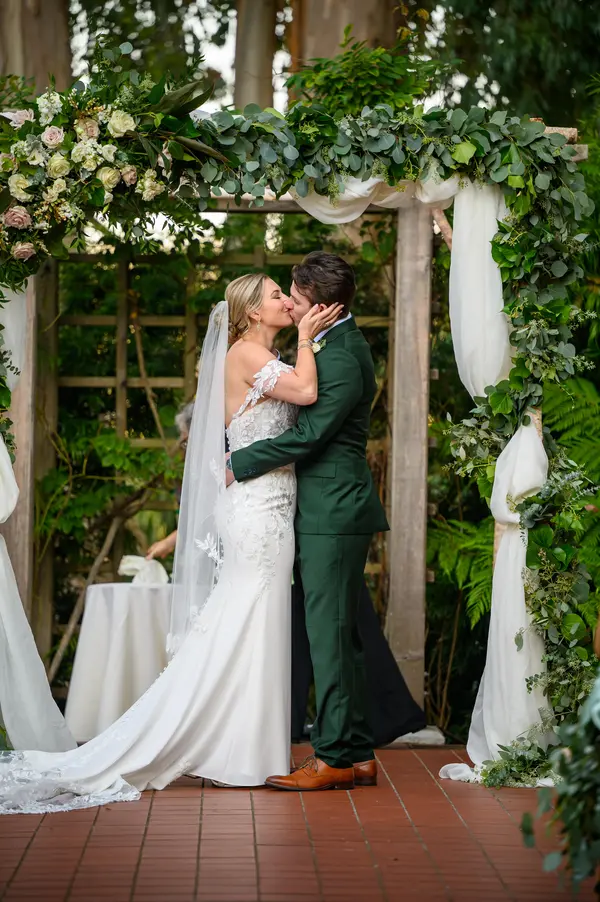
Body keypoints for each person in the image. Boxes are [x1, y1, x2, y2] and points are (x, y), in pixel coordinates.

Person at [0, 273, 340, 813]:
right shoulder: (247, 354)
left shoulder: (258, 355)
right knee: (249, 620)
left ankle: (242, 751)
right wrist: (306, 339)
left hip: (269, 504)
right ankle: (236, 752)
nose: (287, 301)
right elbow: (305, 392)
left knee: (253, 624)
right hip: (256, 509)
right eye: (276, 294)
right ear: (253, 311)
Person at [228, 252, 390, 791]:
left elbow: (308, 435)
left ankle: (332, 759)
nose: (290, 305)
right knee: (342, 634)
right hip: (326, 506)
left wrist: (239, 462)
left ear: (321, 306)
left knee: (329, 636)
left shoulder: (340, 356)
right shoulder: (330, 344)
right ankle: (358, 752)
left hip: (332, 509)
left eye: (295, 298)